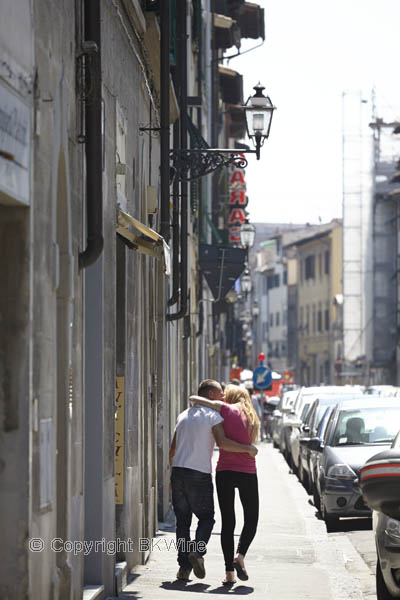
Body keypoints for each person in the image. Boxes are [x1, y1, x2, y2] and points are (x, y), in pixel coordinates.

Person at [169, 379, 258, 582]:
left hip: (179, 472)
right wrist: (248, 449)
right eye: (220, 393)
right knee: (207, 518)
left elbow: (173, 448)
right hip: (199, 473)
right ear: (210, 395)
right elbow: (223, 443)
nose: (224, 397)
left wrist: (172, 474)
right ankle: (197, 552)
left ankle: (184, 568)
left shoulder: (182, 415)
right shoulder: (213, 416)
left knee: (182, 522)